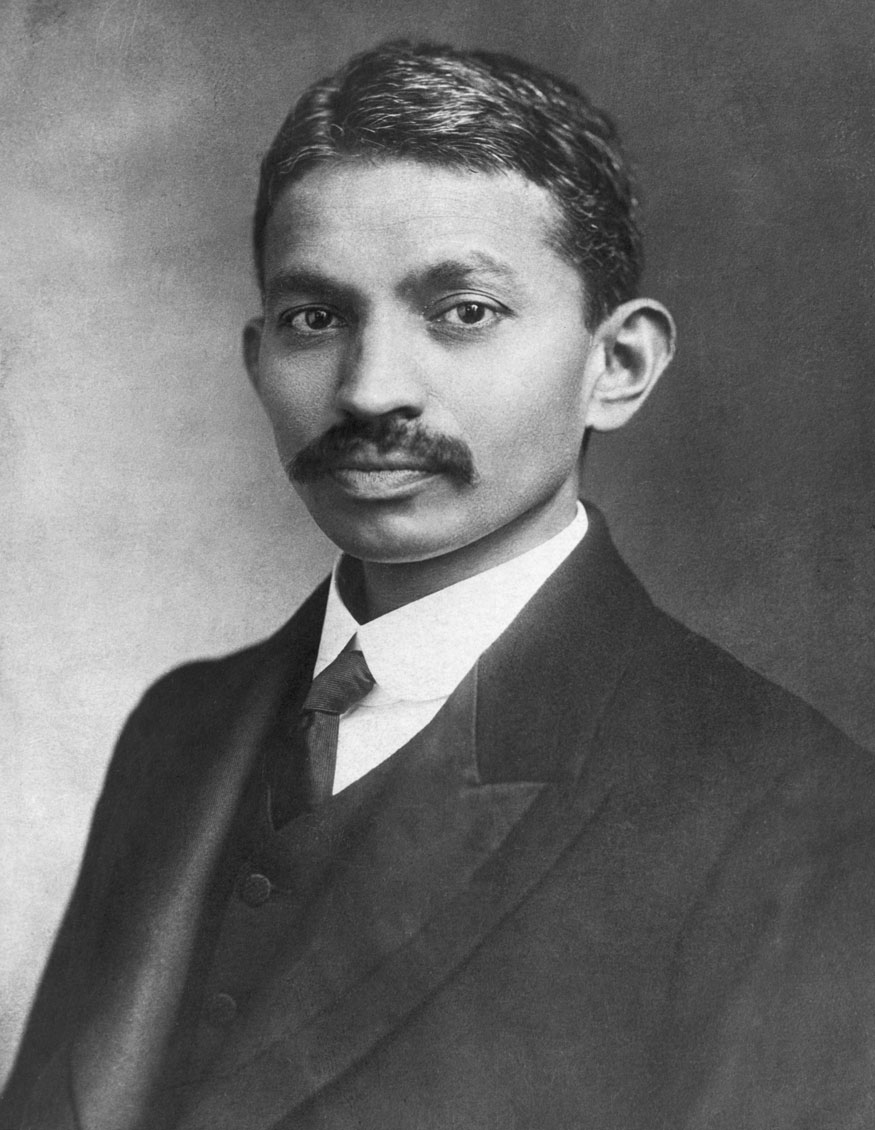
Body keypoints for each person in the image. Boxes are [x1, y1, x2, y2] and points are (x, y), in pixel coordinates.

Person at [3, 39, 875, 1130]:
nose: (369, 390)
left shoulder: (792, 817)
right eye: (314, 317)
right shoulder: (182, 725)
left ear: (619, 366)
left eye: (460, 310)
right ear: (255, 354)